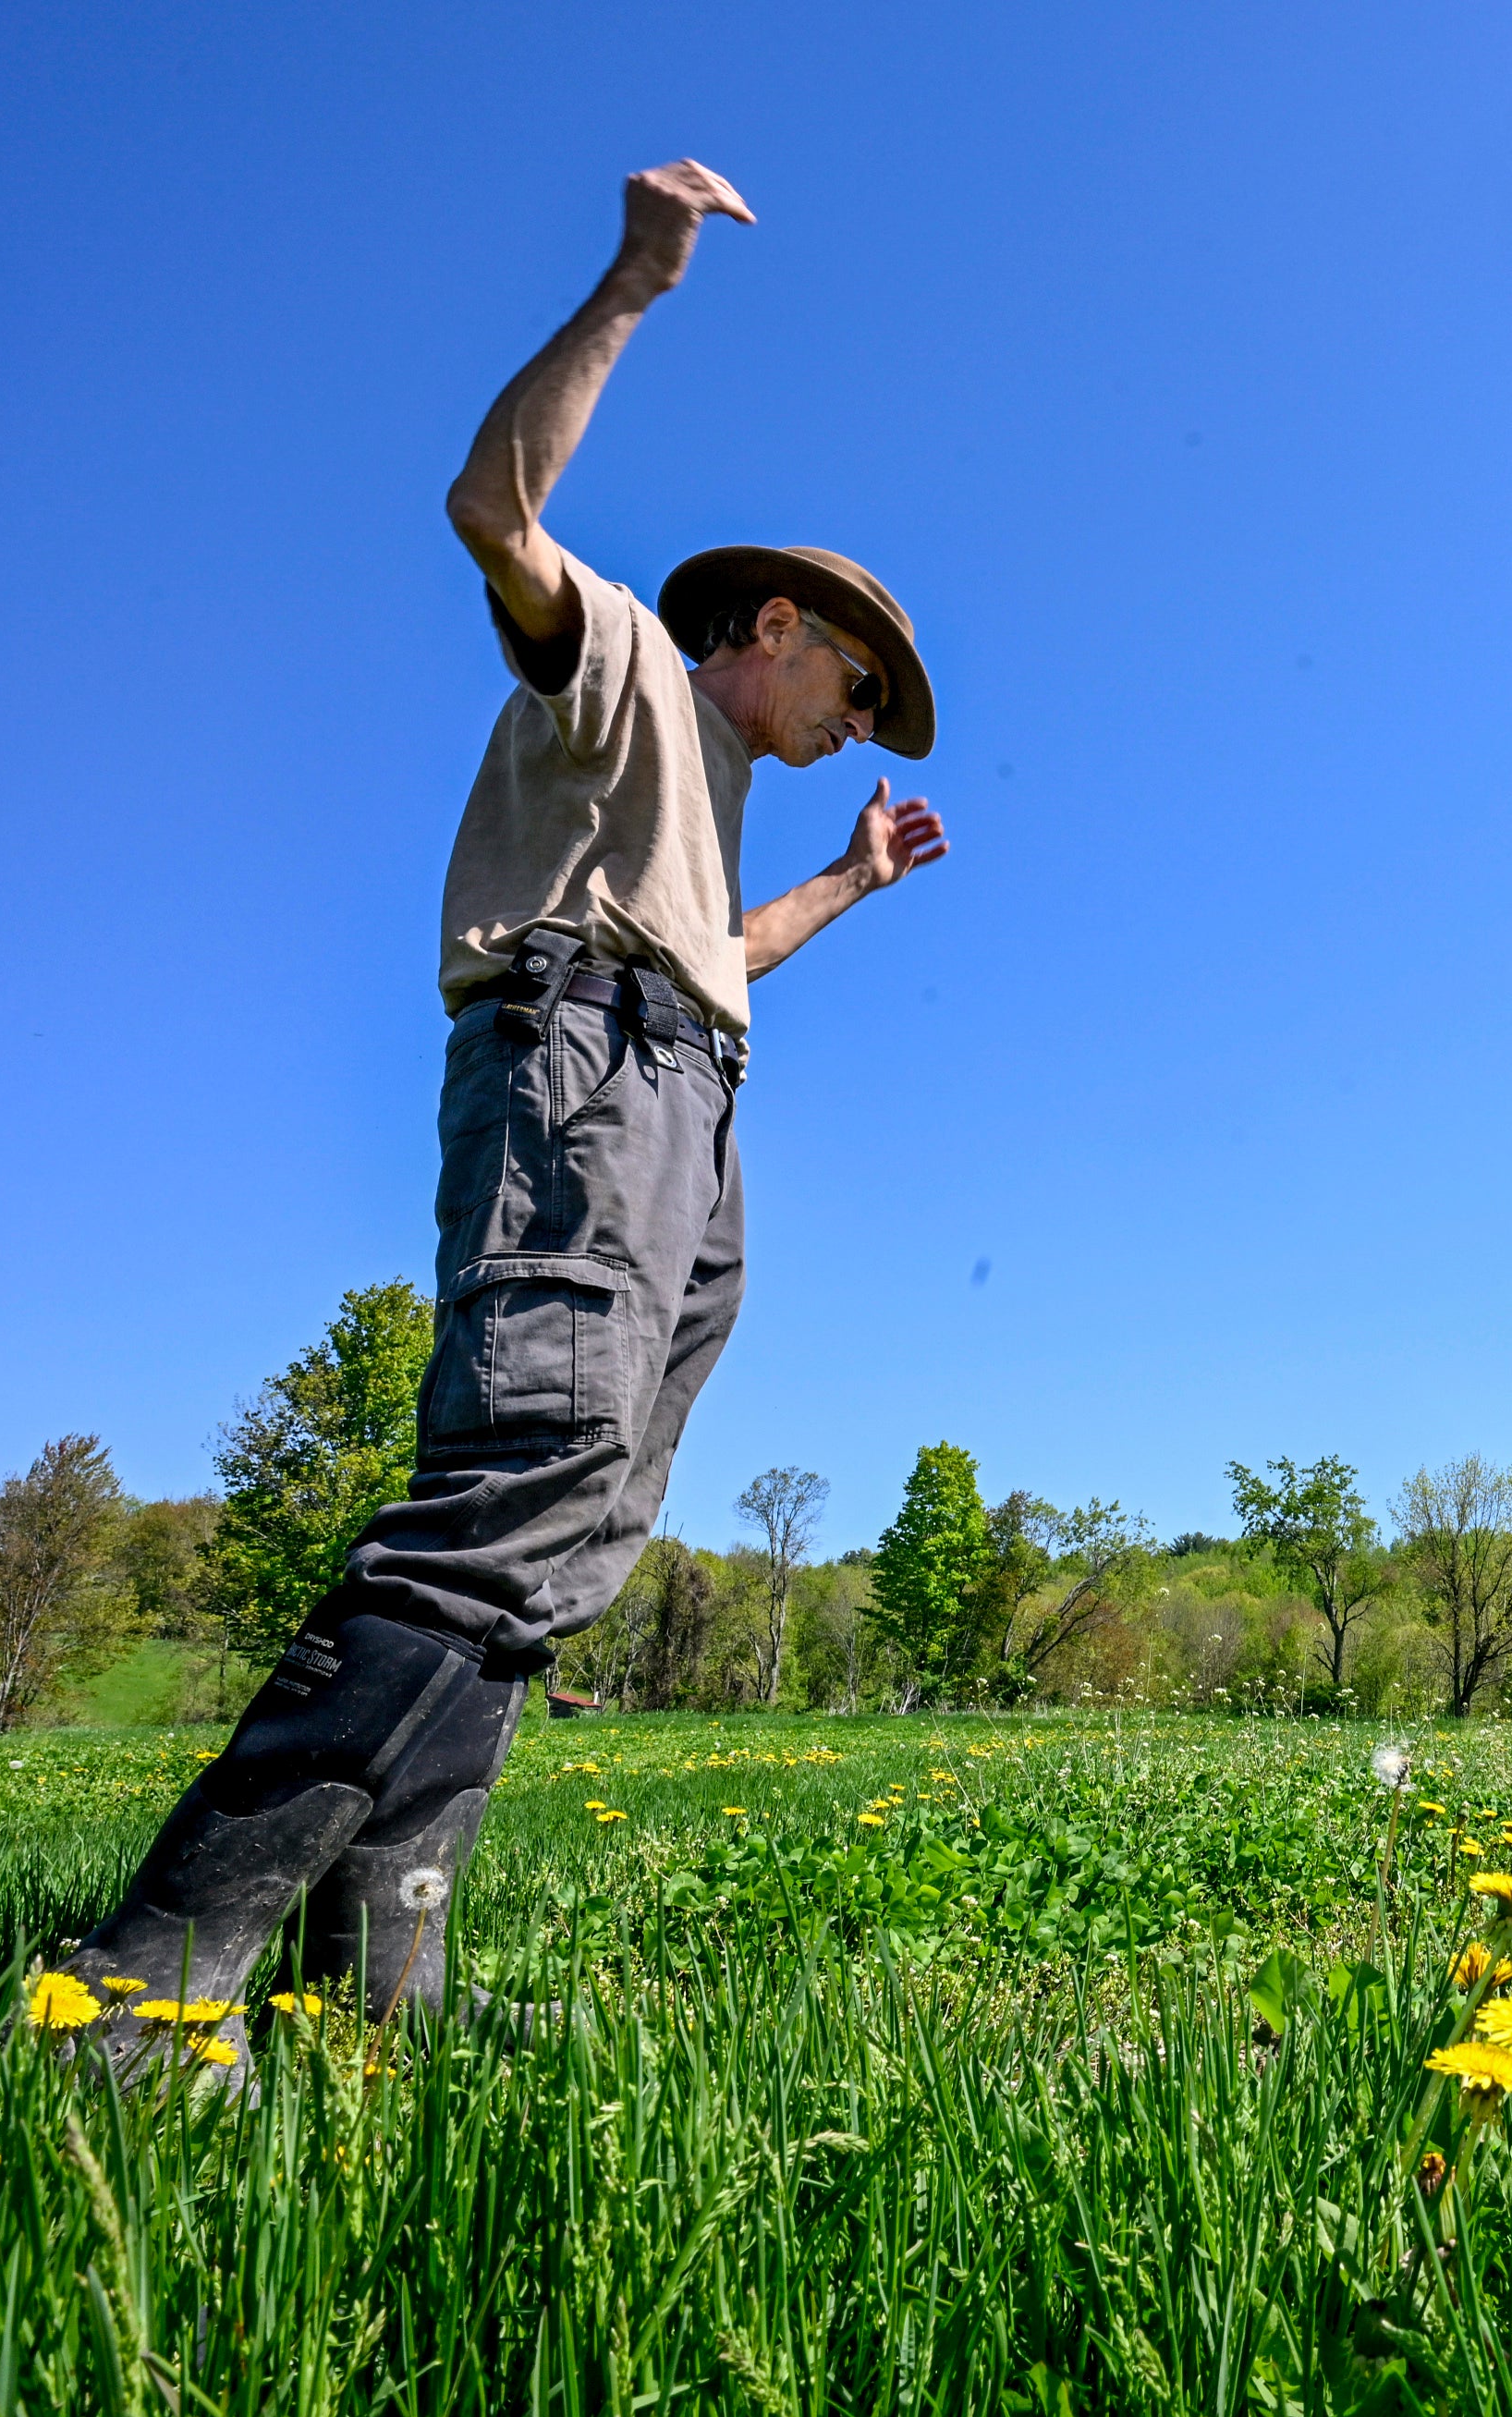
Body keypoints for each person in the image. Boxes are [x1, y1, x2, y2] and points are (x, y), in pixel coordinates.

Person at [57, 162, 945, 2059]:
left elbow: (713, 949)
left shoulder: (713, 801)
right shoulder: (622, 662)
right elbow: (492, 509)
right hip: (588, 1068)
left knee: (573, 1538)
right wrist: (634, 282)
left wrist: (852, 882)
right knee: (514, 1480)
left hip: (687, 1095)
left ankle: (375, 1980)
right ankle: (143, 1979)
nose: (853, 726)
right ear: (774, 627)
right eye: (854, 691)